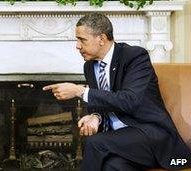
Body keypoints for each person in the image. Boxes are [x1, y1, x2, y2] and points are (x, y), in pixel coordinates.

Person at [43, 13, 191, 170]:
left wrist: (80, 91)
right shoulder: (89, 66)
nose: (77, 46)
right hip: (121, 142)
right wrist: (96, 116)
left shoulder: (134, 56)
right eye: (77, 40)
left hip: (149, 135)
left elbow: (129, 100)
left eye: (82, 40)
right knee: (112, 166)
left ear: (101, 39)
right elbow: (104, 101)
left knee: (95, 143)